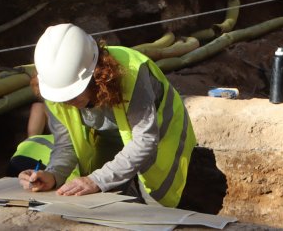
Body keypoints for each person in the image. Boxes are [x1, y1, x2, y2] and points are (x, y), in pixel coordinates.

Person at [20, 23, 196, 208]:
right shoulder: (55, 87)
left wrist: (97, 180)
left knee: (154, 207)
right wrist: (53, 174)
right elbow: (66, 144)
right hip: (109, 136)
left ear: (97, 75)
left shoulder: (132, 73)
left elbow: (145, 140)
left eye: (73, 93)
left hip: (161, 135)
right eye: (63, 96)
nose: (67, 101)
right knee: (103, 197)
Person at [7, 95, 54, 177]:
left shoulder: (37, 139)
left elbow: (38, 106)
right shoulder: (73, 138)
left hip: (17, 158)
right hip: (42, 165)